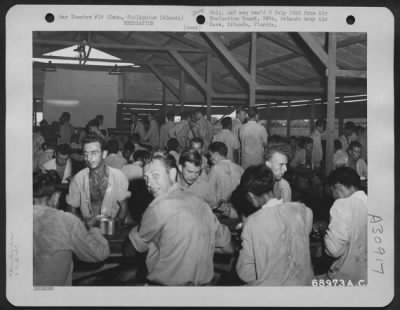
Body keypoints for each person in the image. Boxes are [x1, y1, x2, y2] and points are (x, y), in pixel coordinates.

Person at [126, 152, 233, 285]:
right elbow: (227, 248)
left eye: (155, 176)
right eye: (146, 178)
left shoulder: (157, 206)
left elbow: (132, 249)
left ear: (172, 174)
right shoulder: (202, 204)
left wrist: (137, 230)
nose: (150, 184)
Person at [231, 165, 314, 286]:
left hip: (272, 294)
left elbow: (245, 272)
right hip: (304, 287)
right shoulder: (304, 211)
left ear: (251, 196)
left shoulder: (252, 223)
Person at [33, 171, 110, 286]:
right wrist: (93, 228)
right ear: (56, 197)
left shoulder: (12, 218)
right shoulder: (66, 221)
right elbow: (100, 253)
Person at [66, 135, 130, 224]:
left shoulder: (118, 176)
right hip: (87, 228)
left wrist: (116, 224)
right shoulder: (78, 179)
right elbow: (71, 208)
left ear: (104, 154)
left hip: (111, 227)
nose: (89, 158)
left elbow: (124, 206)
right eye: (85, 154)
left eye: (94, 153)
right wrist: (83, 226)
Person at [322, 167, 367, 284]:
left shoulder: (342, 204)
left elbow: (334, 250)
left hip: (345, 279)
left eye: (332, 191)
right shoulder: (370, 202)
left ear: (338, 186)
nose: (333, 196)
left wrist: (325, 232)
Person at [208, 142, 243, 218]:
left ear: (216, 155)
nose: (210, 159)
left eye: (210, 155)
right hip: (238, 211)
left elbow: (209, 192)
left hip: (221, 212)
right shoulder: (239, 168)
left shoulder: (215, 169)